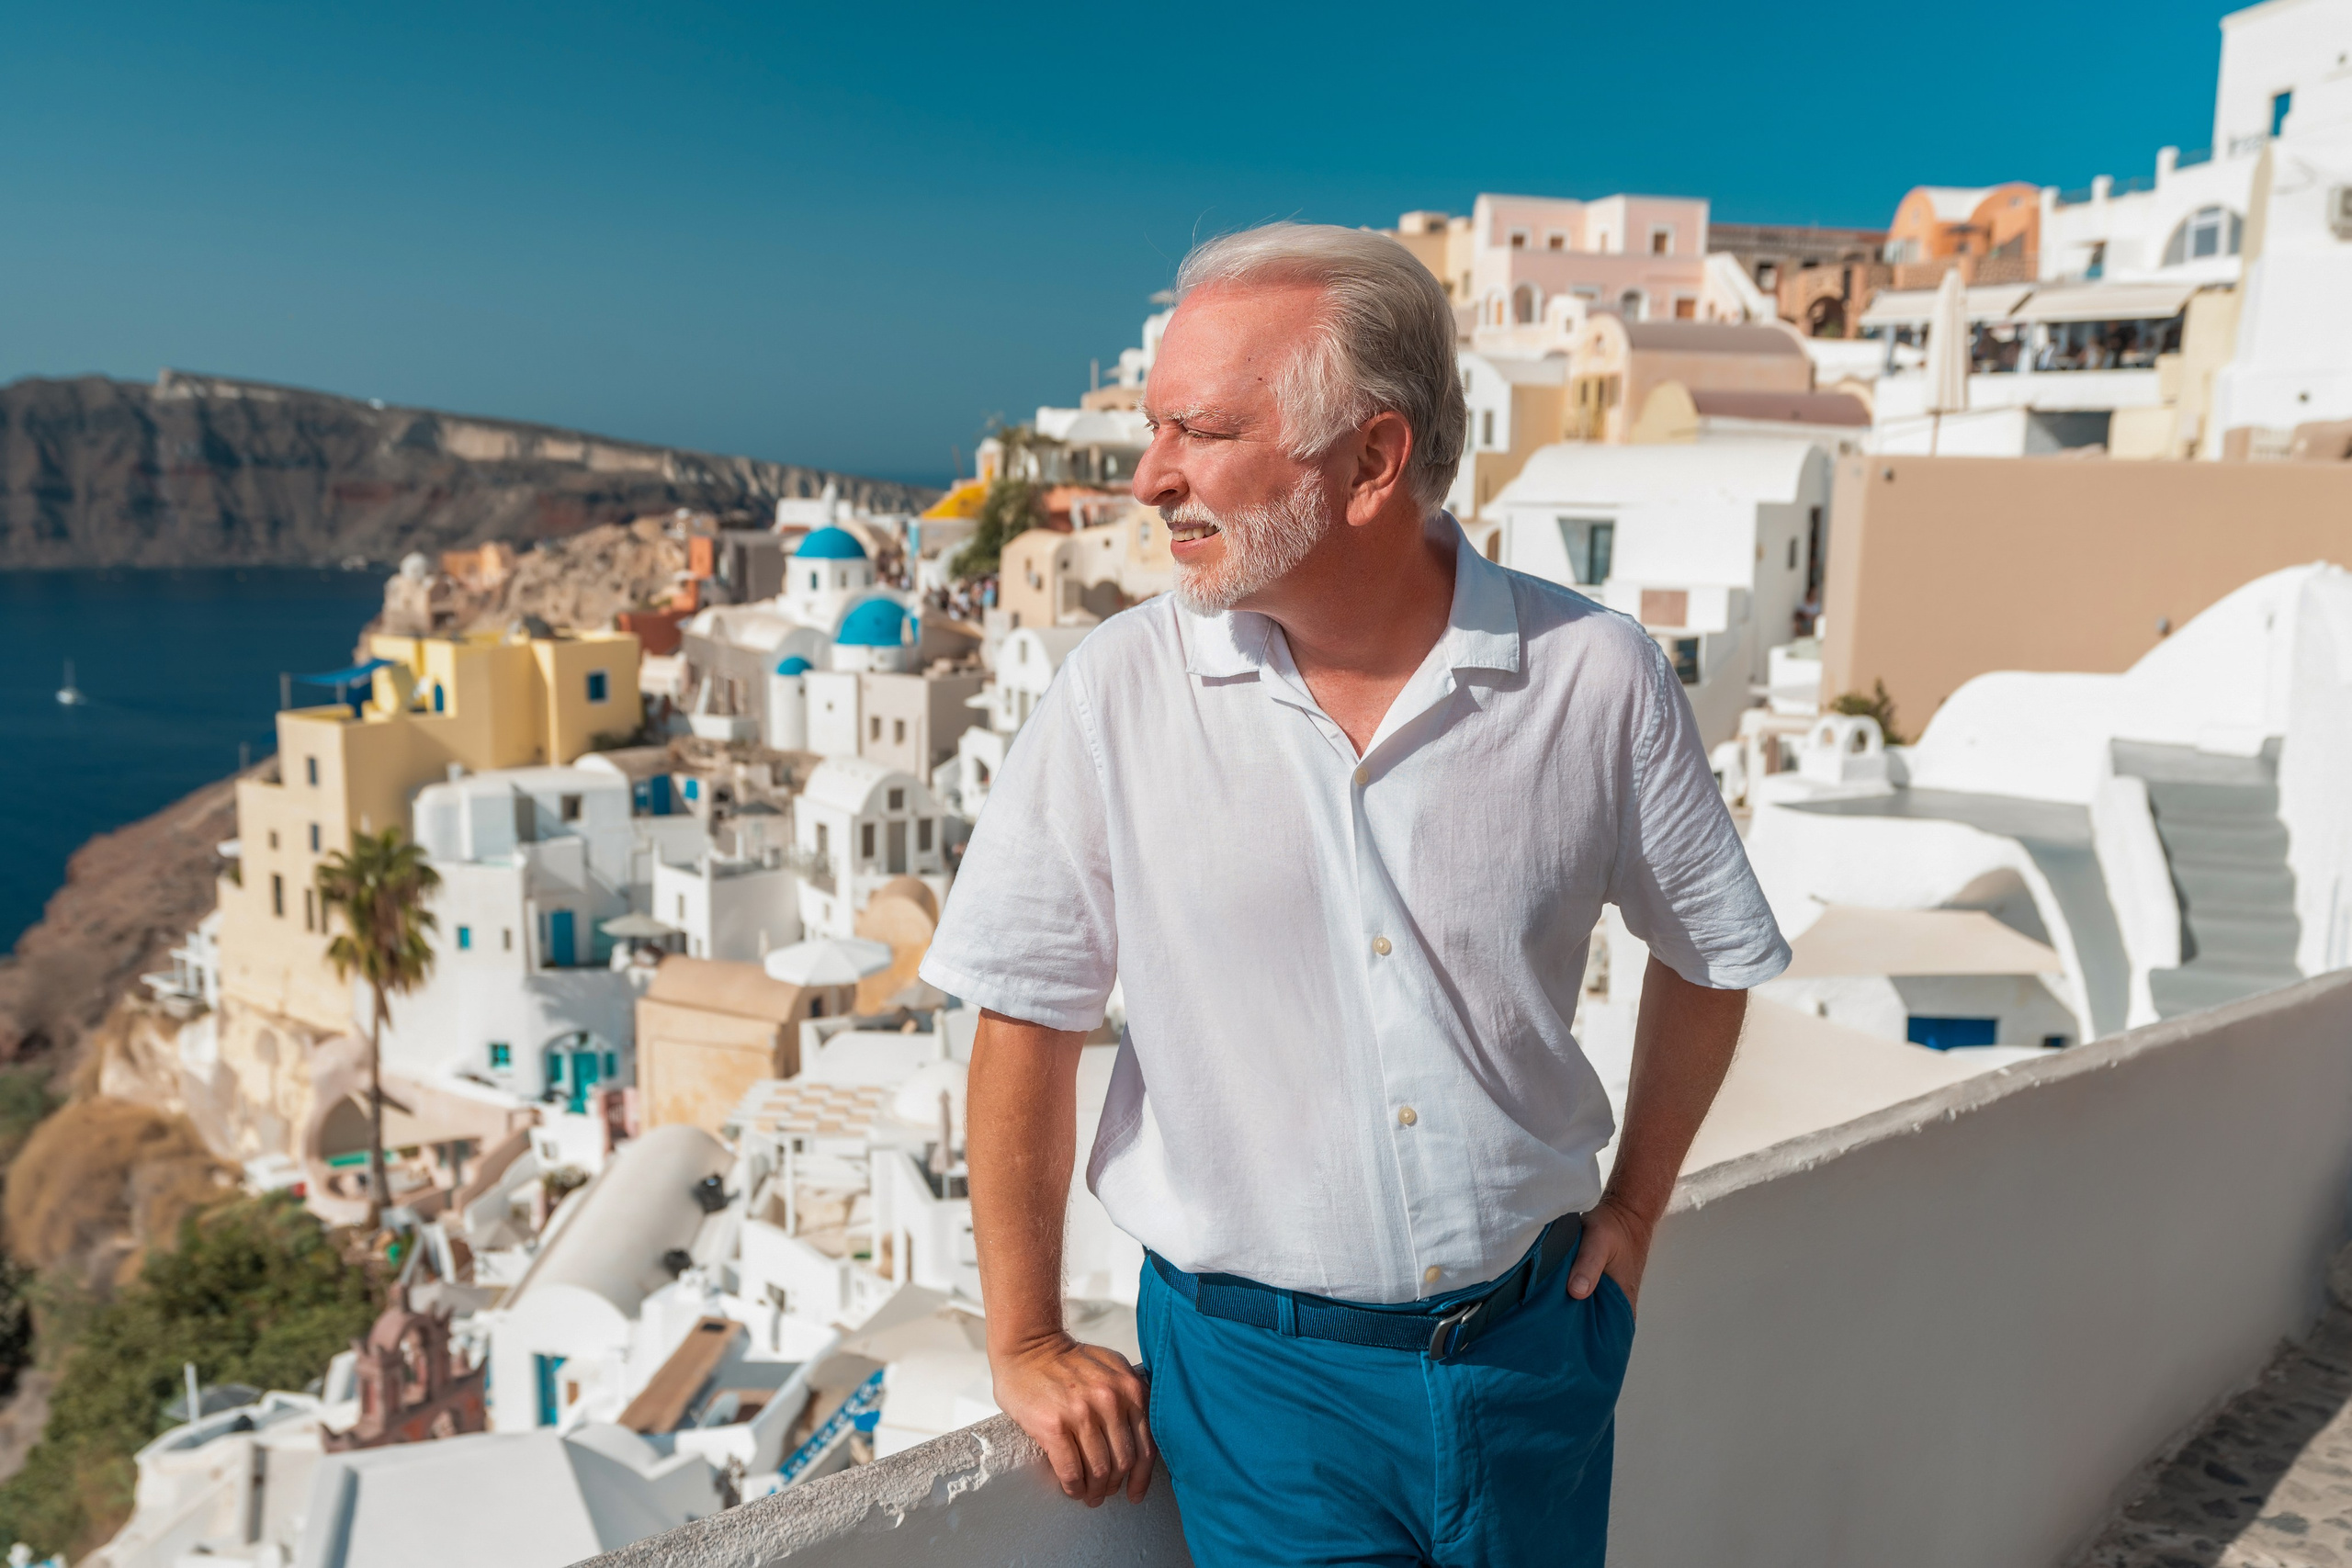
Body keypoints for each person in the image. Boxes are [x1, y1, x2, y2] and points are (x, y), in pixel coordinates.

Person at [919, 222, 1790, 1568]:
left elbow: (1712, 951)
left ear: (1374, 459)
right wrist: (1026, 1336)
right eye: (1156, 430)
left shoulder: (1594, 677)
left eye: (1199, 433)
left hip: (1531, 1356)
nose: (1154, 479)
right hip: (1260, 1395)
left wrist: (1634, 1209)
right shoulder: (1120, 693)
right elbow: (1025, 1012)